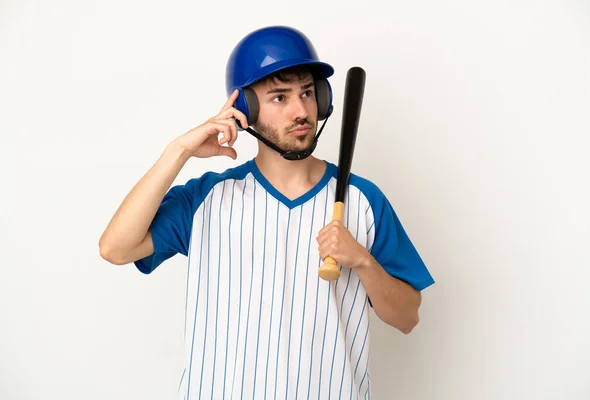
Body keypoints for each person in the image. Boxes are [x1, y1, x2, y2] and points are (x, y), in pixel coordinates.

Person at [99, 25, 434, 399]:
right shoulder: (207, 198)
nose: (301, 110)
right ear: (245, 108)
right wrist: (179, 150)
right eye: (279, 97)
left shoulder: (363, 200)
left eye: (308, 93)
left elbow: (407, 317)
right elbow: (116, 248)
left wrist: (364, 263)